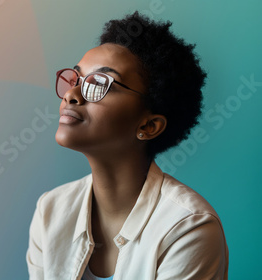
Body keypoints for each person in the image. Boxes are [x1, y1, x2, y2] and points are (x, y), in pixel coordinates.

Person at [26, 12, 229, 280]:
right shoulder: (50, 210)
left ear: (148, 126)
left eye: (99, 83)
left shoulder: (189, 228)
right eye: (76, 79)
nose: (71, 94)